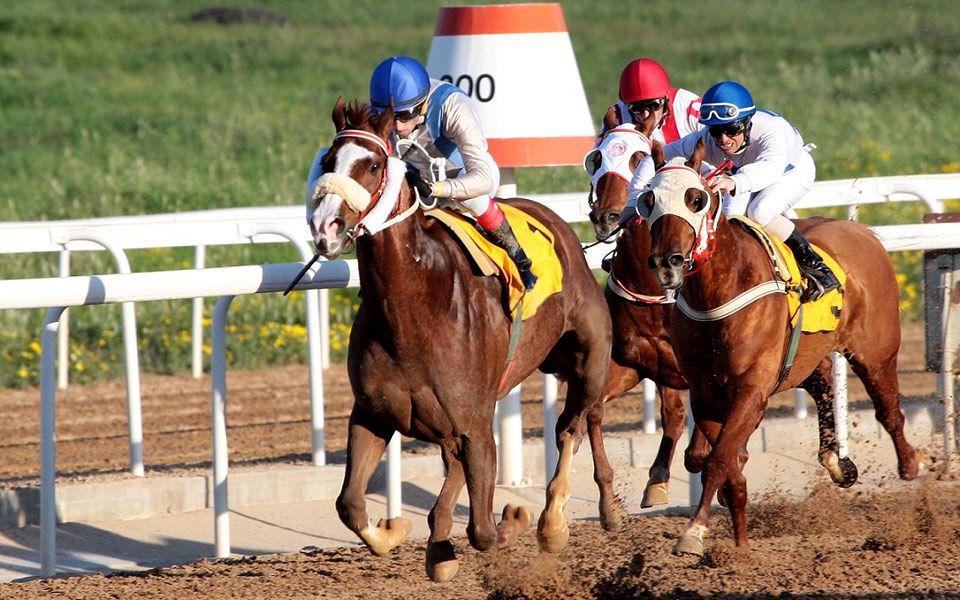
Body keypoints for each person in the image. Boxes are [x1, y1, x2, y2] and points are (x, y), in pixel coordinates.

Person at [626, 80, 840, 301]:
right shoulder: (707, 140)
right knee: (729, 218)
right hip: (746, 175)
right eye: (716, 131)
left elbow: (772, 169)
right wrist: (633, 200)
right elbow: (653, 159)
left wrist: (735, 182)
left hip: (791, 172)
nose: (723, 140)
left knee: (760, 211)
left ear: (748, 123)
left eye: (731, 130)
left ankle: (817, 268)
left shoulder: (771, 130)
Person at [369, 55, 537, 291]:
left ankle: (519, 258)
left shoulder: (452, 104)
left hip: (466, 178)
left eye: (405, 116)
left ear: (423, 103)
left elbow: (482, 177)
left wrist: (437, 188)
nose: (397, 127)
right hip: (418, 185)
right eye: (389, 117)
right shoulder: (373, 113)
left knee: (471, 196)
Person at [600, 57, 702, 145]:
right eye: (636, 108)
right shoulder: (616, 118)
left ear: (666, 98)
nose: (645, 115)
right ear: (626, 105)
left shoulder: (689, 107)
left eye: (654, 105)